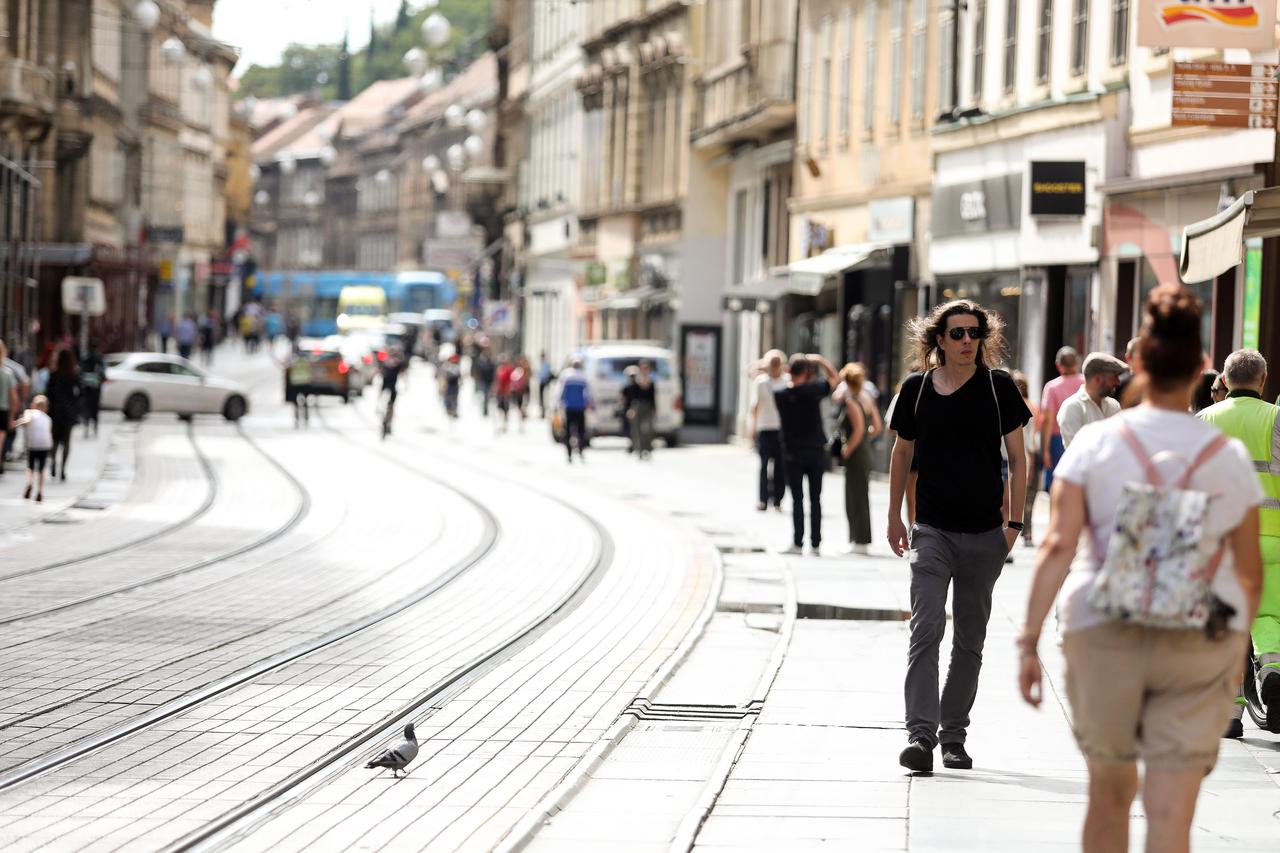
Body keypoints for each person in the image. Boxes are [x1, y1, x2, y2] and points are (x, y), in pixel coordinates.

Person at [1018, 284, 1262, 853]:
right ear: (1204, 368)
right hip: (1197, 638)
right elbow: (1248, 571)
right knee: (1172, 812)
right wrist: (1233, 668)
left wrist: (1028, 641)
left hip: (1101, 632)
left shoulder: (1097, 444)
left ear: (1137, 366)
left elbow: (1057, 547)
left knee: (1108, 793)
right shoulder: (1221, 455)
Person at [887, 299, 1030, 773]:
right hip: (932, 530)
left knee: (970, 640)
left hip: (986, 534)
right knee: (926, 627)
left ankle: (953, 736)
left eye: (974, 333)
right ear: (939, 340)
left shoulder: (999, 388)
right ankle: (920, 736)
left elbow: (1018, 459)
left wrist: (1014, 524)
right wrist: (893, 516)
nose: (966, 341)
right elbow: (901, 453)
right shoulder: (917, 388)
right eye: (957, 334)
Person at [1198, 348, 1280, 736]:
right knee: (1268, 616)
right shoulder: (1276, 418)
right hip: (1271, 536)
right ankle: (1272, 670)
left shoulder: (1204, 420)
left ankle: (1230, 712)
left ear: (1225, 381)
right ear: (1262, 381)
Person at [775, 353, 838, 555]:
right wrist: (820, 360)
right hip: (815, 451)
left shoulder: (781, 396)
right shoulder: (813, 391)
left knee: (797, 499)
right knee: (815, 498)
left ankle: (797, 542)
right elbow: (835, 380)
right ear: (808, 373)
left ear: (789, 372)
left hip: (792, 452)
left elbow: (787, 384)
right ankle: (816, 544)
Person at [836, 363, 874, 555]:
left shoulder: (852, 402)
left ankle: (859, 541)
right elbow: (875, 426)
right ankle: (860, 540)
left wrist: (846, 450)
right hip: (865, 451)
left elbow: (858, 430)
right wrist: (867, 439)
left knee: (855, 496)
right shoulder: (867, 398)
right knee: (861, 495)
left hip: (856, 453)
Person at [1057, 352, 1126, 448]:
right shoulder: (1072, 407)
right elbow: (1076, 452)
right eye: (1113, 377)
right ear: (1097, 379)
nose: (1118, 382)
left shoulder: (1114, 406)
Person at [1040, 346, 1083, 492]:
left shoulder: (1052, 387)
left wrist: (1045, 450)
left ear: (1059, 366)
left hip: (1058, 440)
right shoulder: (1086, 383)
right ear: (1076, 364)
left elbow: (1048, 420)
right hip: (1082, 437)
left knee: (1057, 484)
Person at [750, 350, 788, 512]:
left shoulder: (786, 382)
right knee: (764, 465)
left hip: (780, 429)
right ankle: (763, 499)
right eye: (772, 363)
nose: (774, 367)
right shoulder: (760, 382)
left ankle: (778, 500)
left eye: (777, 363)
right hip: (764, 427)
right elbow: (755, 406)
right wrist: (753, 428)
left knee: (780, 466)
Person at [1012, 372, 1040, 548]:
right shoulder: (1032, 406)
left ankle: (1012, 527)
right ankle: (1027, 533)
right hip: (1029, 453)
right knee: (1029, 496)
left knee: (1011, 494)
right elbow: (1032, 437)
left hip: (1014, 454)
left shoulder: (1010, 406)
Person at [45, 348, 80, 481]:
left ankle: (53, 463)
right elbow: (79, 393)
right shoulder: (74, 375)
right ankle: (63, 470)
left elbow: (48, 393)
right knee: (66, 442)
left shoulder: (54, 375)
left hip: (55, 412)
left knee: (54, 440)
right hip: (69, 412)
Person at [12, 394, 52, 501]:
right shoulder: (48, 418)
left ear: (33, 405)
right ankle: (40, 491)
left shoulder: (29, 412)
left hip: (33, 444)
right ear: (46, 408)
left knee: (30, 467)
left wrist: (15, 423)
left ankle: (30, 483)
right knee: (42, 469)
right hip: (45, 445)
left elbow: (27, 420)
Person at [559, 356, 592, 463]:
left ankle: (569, 453)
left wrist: (558, 404)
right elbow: (588, 392)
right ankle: (581, 451)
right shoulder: (583, 376)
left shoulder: (566, 375)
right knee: (581, 431)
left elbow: (559, 391)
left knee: (568, 431)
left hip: (569, 407)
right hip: (580, 407)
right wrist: (590, 403)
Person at [626, 359, 657, 459]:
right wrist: (630, 409)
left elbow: (653, 397)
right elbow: (631, 397)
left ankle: (647, 448)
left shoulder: (651, 382)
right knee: (637, 430)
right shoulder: (636, 382)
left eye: (646, 368)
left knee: (648, 429)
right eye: (643, 368)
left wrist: (654, 408)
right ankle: (638, 449)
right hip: (637, 406)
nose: (645, 370)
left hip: (647, 406)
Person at [0, 339, 18, 476]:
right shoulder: (7, 373)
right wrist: (12, 417)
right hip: (3, 410)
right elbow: (14, 398)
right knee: (1, 439)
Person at [79, 344, 105, 439]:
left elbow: (80, 373)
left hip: (86, 388)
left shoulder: (85, 358)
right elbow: (103, 374)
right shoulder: (99, 359)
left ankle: (87, 427)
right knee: (95, 409)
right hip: (95, 389)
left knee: (87, 408)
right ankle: (95, 428)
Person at [475, 350, 496, 417]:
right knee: (483, 396)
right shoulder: (482, 363)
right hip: (483, 382)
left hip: (489, 382)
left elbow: (493, 374)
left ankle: (486, 410)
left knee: (487, 397)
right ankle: (484, 409)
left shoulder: (492, 364)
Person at [537, 352, 554, 418]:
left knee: (546, 398)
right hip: (541, 382)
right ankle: (542, 411)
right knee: (541, 398)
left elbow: (546, 373)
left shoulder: (546, 364)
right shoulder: (540, 364)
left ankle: (546, 411)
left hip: (545, 382)